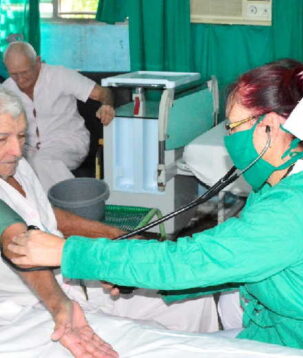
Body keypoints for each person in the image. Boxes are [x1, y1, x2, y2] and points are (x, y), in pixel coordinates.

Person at [7, 59, 303, 358]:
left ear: (269, 127)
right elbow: (228, 256)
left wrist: (66, 251)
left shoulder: (295, 207)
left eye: (231, 127)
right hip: (299, 324)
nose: (227, 139)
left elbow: (189, 262)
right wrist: (135, 277)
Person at [0, 88, 218, 357]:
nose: (16, 149)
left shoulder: (17, 165)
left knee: (191, 295)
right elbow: (18, 245)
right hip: (34, 306)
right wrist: (62, 302)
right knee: (150, 341)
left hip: (78, 278)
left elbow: (46, 214)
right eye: (2, 139)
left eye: (21, 136)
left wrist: (117, 237)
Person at [1, 41, 114, 192]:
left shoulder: (60, 75)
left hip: (68, 141)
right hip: (28, 148)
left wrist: (106, 105)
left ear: (38, 62)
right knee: (16, 165)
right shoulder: (7, 89)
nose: (20, 80)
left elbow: (103, 92)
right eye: (14, 74)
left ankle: (78, 202)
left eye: (25, 72)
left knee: (42, 162)